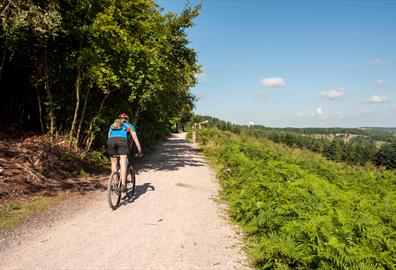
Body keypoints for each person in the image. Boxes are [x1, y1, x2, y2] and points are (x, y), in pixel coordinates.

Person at [107, 113, 142, 190]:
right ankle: (123, 185)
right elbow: (135, 139)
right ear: (127, 119)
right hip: (121, 141)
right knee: (123, 161)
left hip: (111, 141)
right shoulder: (129, 125)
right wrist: (139, 150)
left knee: (113, 162)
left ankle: (115, 183)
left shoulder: (113, 125)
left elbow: (109, 135)